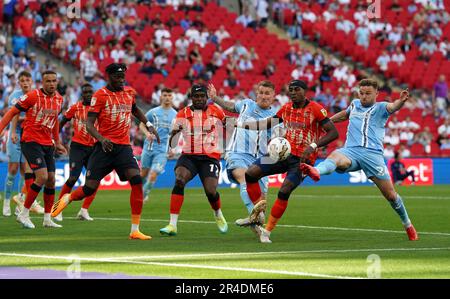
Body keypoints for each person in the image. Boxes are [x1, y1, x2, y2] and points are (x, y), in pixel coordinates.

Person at [51, 63, 160, 240]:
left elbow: (135, 109)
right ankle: (68, 198)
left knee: (136, 180)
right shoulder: (100, 95)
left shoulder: (128, 93)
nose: (121, 80)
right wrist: (102, 139)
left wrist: (148, 125)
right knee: (89, 188)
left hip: (123, 148)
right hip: (103, 148)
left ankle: (135, 229)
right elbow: (88, 124)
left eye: (123, 77)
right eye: (117, 77)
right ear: (108, 77)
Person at [301, 79, 419, 241]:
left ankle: (408, 225)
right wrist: (327, 121)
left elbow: (393, 106)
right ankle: (315, 170)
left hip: (373, 156)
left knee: (391, 195)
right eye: (361, 93)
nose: (363, 97)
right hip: (351, 151)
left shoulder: (381, 107)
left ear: (376, 94)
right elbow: (345, 114)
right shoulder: (355, 104)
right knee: (335, 156)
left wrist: (401, 101)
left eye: (368, 93)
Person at [238, 80, 339, 243]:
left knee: (284, 191)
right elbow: (267, 123)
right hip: (283, 153)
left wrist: (313, 146)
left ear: (304, 91)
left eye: (296, 89)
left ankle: (267, 231)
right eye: (290, 90)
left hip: (303, 160)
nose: (292, 92)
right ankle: (260, 210)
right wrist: (243, 125)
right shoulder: (286, 108)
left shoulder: (315, 109)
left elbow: (333, 133)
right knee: (250, 173)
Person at [207, 80, 279, 236]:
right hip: (237, 152)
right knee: (245, 179)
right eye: (261, 93)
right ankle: (256, 220)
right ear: (256, 94)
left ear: (273, 96)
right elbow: (230, 106)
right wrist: (215, 98)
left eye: (267, 93)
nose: (263, 96)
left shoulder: (275, 118)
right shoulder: (247, 104)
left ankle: (254, 223)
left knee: (261, 199)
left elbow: (277, 140)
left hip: (260, 158)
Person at [0, 70, 67, 229]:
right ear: (42, 82)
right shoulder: (32, 96)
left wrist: (57, 141)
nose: (51, 84)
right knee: (42, 176)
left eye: (54, 81)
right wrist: (1, 128)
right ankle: (23, 214)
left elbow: (55, 120)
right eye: (48, 81)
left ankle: (47, 219)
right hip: (30, 141)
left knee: (51, 179)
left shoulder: (58, 99)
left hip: (47, 143)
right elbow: (12, 112)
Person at [159, 84, 228, 236]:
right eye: (196, 96)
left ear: (206, 97)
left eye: (202, 96)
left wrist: (228, 147)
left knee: (211, 191)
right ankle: (172, 225)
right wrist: (174, 135)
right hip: (189, 156)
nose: (199, 99)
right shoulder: (182, 114)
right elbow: (173, 142)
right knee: (179, 180)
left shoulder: (216, 111)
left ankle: (217, 213)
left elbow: (228, 127)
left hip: (210, 157)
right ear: (191, 98)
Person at [3, 71, 44, 216]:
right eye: (22, 80)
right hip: (17, 134)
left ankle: (20, 202)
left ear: (31, 81)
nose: (25, 82)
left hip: (30, 135)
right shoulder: (15, 96)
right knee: (13, 168)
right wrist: (13, 132)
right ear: (19, 83)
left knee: (25, 170)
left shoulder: (37, 95)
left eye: (27, 80)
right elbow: (14, 114)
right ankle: (6, 202)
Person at [56, 83, 98, 221]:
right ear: (82, 94)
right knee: (73, 178)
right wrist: (57, 139)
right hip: (78, 147)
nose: (88, 94)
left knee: (94, 181)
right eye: (85, 92)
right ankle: (58, 208)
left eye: (90, 92)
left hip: (93, 148)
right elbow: (62, 120)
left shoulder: (98, 108)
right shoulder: (76, 107)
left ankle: (84, 210)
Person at [139, 87, 177, 203]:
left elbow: (175, 134)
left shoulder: (176, 115)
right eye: (165, 95)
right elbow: (141, 125)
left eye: (169, 95)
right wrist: (147, 134)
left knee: (154, 173)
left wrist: (172, 148)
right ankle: (142, 193)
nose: (167, 98)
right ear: (161, 97)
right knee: (143, 174)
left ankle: (141, 197)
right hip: (148, 148)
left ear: (172, 97)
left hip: (162, 151)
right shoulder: (153, 112)